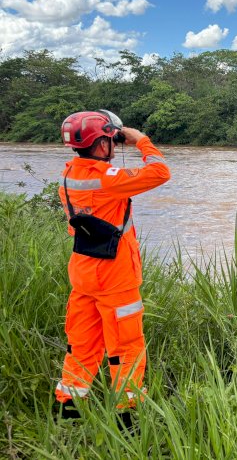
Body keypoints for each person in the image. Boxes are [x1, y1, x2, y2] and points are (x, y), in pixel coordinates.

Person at [55, 110, 170, 421]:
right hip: (115, 275)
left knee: (81, 343)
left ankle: (69, 408)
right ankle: (128, 417)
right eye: (110, 139)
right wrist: (140, 141)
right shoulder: (107, 179)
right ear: (102, 142)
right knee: (126, 346)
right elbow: (160, 172)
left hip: (83, 272)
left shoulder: (68, 175)